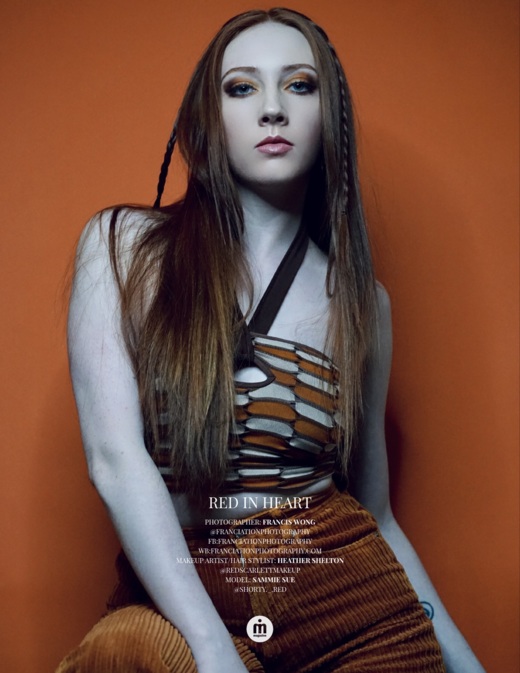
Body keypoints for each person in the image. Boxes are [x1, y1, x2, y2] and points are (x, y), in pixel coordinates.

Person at [56, 8, 486, 673]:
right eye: (242, 87)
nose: (273, 108)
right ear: (208, 117)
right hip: (186, 593)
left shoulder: (364, 304)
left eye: (300, 85)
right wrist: (209, 646)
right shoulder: (122, 248)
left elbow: (377, 514)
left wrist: (463, 661)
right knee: (125, 654)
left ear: (330, 116)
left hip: (346, 598)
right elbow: (113, 459)